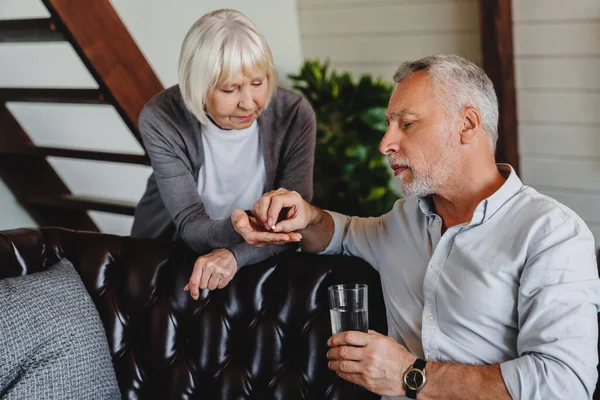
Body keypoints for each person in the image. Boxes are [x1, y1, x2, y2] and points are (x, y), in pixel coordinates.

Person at [230, 55, 600, 399]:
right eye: (390, 125)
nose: (385, 143)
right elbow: (339, 233)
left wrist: (411, 373)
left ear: (467, 125)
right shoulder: (403, 220)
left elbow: (564, 384)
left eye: (406, 124)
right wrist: (307, 215)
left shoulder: (552, 234)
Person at [131, 9, 316, 300]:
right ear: (198, 86)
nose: (248, 103)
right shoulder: (161, 117)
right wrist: (237, 228)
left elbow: (294, 221)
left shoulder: (293, 115)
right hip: (166, 254)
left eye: (258, 83)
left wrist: (234, 254)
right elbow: (190, 223)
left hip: (256, 261)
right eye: (230, 89)